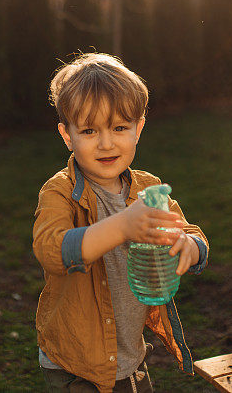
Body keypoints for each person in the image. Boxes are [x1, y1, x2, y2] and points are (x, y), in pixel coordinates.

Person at [33, 53, 209, 393]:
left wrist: (190, 246)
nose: (106, 143)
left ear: (138, 128)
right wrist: (122, 227)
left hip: (130, 357)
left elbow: (191, 233)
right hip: (75, 364)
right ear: (67, 135)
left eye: (119, 128)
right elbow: (51, 250)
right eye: (88, 130)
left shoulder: (147, 188)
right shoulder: (59, 192)